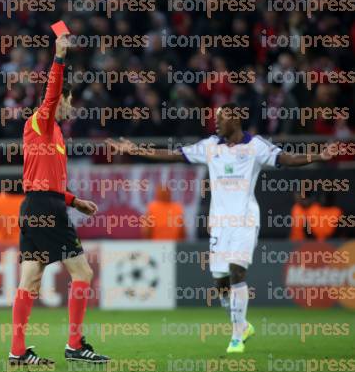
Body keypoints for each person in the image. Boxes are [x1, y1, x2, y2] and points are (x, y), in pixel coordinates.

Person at [106, 102, 337, 354]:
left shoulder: (256, 146)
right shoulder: (209, 147)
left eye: (221, 117)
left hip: (245, 220)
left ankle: (237, 336)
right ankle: (242, 324)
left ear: (236, 119)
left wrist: (317, 156)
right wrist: (135, 149)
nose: (216, 122)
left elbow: (286, 158)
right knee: (221, 282)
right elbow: (172, 154)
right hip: (219, 224)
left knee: (237, 271)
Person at [8, 33, 110, 365]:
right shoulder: (40, 121)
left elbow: (45, 181)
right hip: (44, 209)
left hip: (40, 205)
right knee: (82, 273)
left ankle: (18, 350)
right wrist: (60, 56)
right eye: (67, 101)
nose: (68, 108)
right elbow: (51, 94)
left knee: (31, 278)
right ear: (60, 100)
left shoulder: (55, 135)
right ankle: (74, 344)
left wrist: (74, 200)